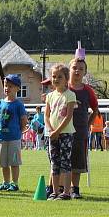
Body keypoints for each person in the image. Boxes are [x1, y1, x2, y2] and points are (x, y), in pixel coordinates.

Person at [68, 55, 99, 199]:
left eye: (81, 69)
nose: (77, 71)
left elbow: (95, 109)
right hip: (63, 131)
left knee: (78, 161)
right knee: (63, 160)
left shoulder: (88, 91)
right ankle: (61, 188)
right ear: (69, 70)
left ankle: (75, 189)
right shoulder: (63, 88)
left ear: (85, 72)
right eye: (74, 68)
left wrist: (87, 125)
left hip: (80, 132)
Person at [44, 64, 77, 200]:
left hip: (66, 133)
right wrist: (51, 130)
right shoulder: (50, 96)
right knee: (54, 162)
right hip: (52, 134)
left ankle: (66, 192)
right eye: (54, 77)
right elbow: (46, 115)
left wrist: (58, 131)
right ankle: (55, 191)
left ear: (66, 78)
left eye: (59, 77)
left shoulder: (70, 95)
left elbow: (68, 116)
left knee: (65, 162)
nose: (56, 79)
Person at [0, 74, 28, 191]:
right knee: (3, 163)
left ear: (17, 88)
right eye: (5, 86)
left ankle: (15, 183)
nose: (7, 88)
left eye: (10, 86)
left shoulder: (18, 104)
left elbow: (23, 120)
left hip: (14, 138)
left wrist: (20, 131)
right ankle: (5, 182)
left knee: (14, 162)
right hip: (1, 138)